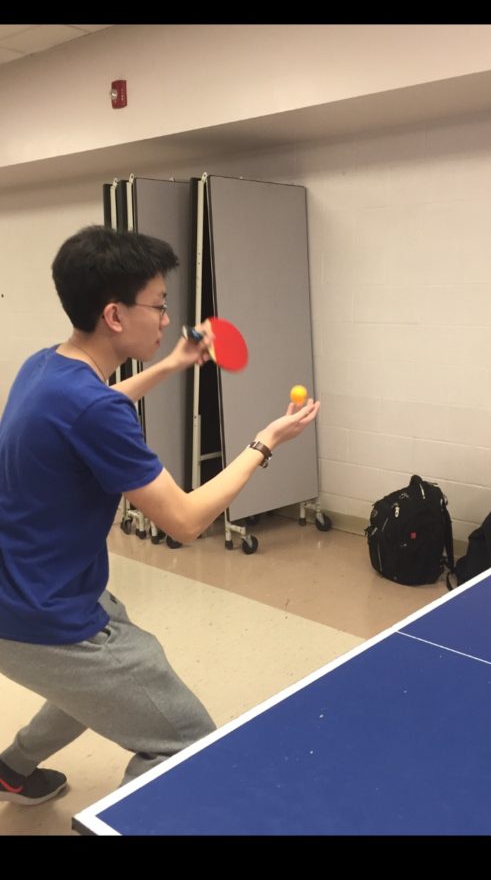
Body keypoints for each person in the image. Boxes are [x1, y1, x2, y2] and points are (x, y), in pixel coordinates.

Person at [0, 225, 320, 806]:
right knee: (187, 743)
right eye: (160, 305)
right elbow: (186, 520)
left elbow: (95, 407)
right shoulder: (90, 408)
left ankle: (12, 769)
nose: (168, 318)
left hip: (29, 584)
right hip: (39, 613)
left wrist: (173, 365)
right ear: (115, 315)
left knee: (99, 686)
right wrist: (264, 444)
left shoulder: (44, 367)